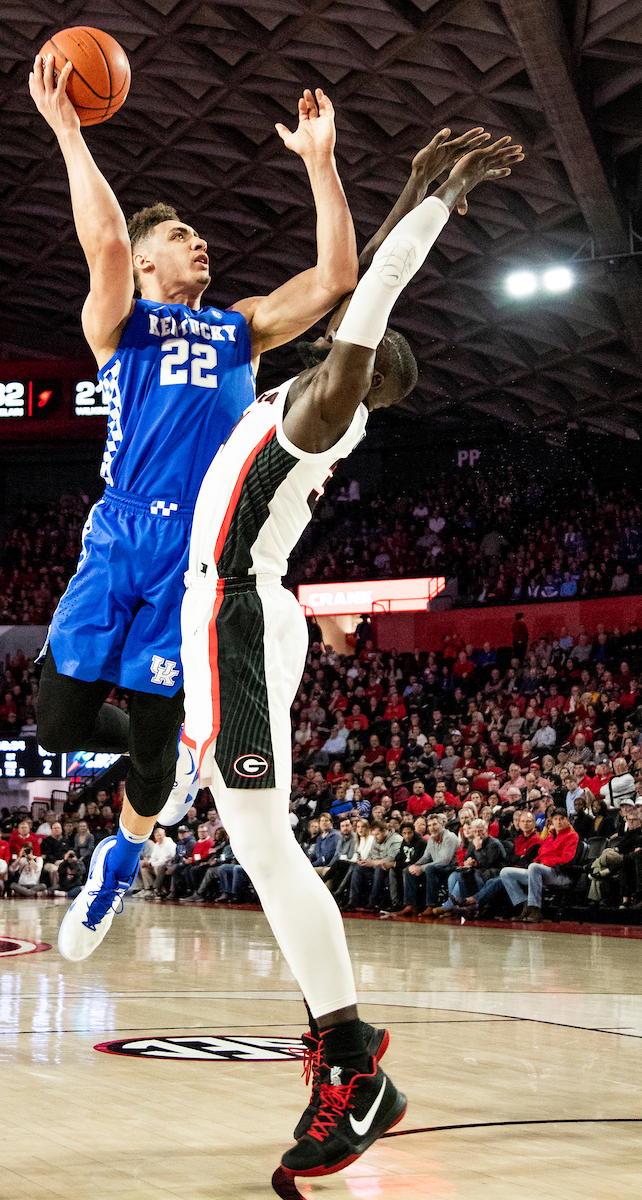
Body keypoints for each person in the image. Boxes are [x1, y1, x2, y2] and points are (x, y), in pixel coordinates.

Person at [171, 130, 521, 1176]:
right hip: (221, 613)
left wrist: (429, 210)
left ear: (359, 381)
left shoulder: (322, 417)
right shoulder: (295, 396)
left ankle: (352, 1061)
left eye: (352, 357)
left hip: (236, 613)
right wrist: (407, 184)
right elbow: (354, 295)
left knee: (265, 844)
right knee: (248, 834)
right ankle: (351, 1054)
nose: (336, 347)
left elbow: (368, 306)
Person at [30, 56, 361, 946]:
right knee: (57, 722)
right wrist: (69, 130)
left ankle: (121, 860)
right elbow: (101, 244)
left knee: (150, 732)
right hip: (120, 532)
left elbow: (333, 280)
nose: (200, 243)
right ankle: (169, 746)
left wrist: (320, 163)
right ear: (144, 261)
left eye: (199, 234)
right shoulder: (120, 322)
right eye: (180, 235)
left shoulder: (239, 326)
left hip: (199, 552)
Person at [497, 809, 579, 922]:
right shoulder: (550, 836)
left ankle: (535, 909)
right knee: (506, 872)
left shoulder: (572, 835)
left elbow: (566, 859)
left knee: (534, 868)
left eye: (561, 819)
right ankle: (524, 904)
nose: (558, 821)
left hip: (559, 873)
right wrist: (536, 861)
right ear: (552, 821)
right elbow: (541, 854)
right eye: (555, 819)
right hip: (541, 871)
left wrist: (545, 862)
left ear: (567, 820)